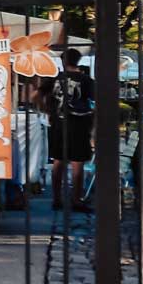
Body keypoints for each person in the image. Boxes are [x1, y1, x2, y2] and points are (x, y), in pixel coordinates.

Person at [46, 48, 94, 213]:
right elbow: (97, 100)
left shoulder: (55, 79)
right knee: (77, 164)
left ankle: (56, 199)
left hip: (58, 125)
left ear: (63, 61)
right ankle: (76, 199)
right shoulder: (86, 80)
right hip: (79, 125)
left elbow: (35, 96)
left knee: (58, 162)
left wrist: (49, 111)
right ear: (78, 61)